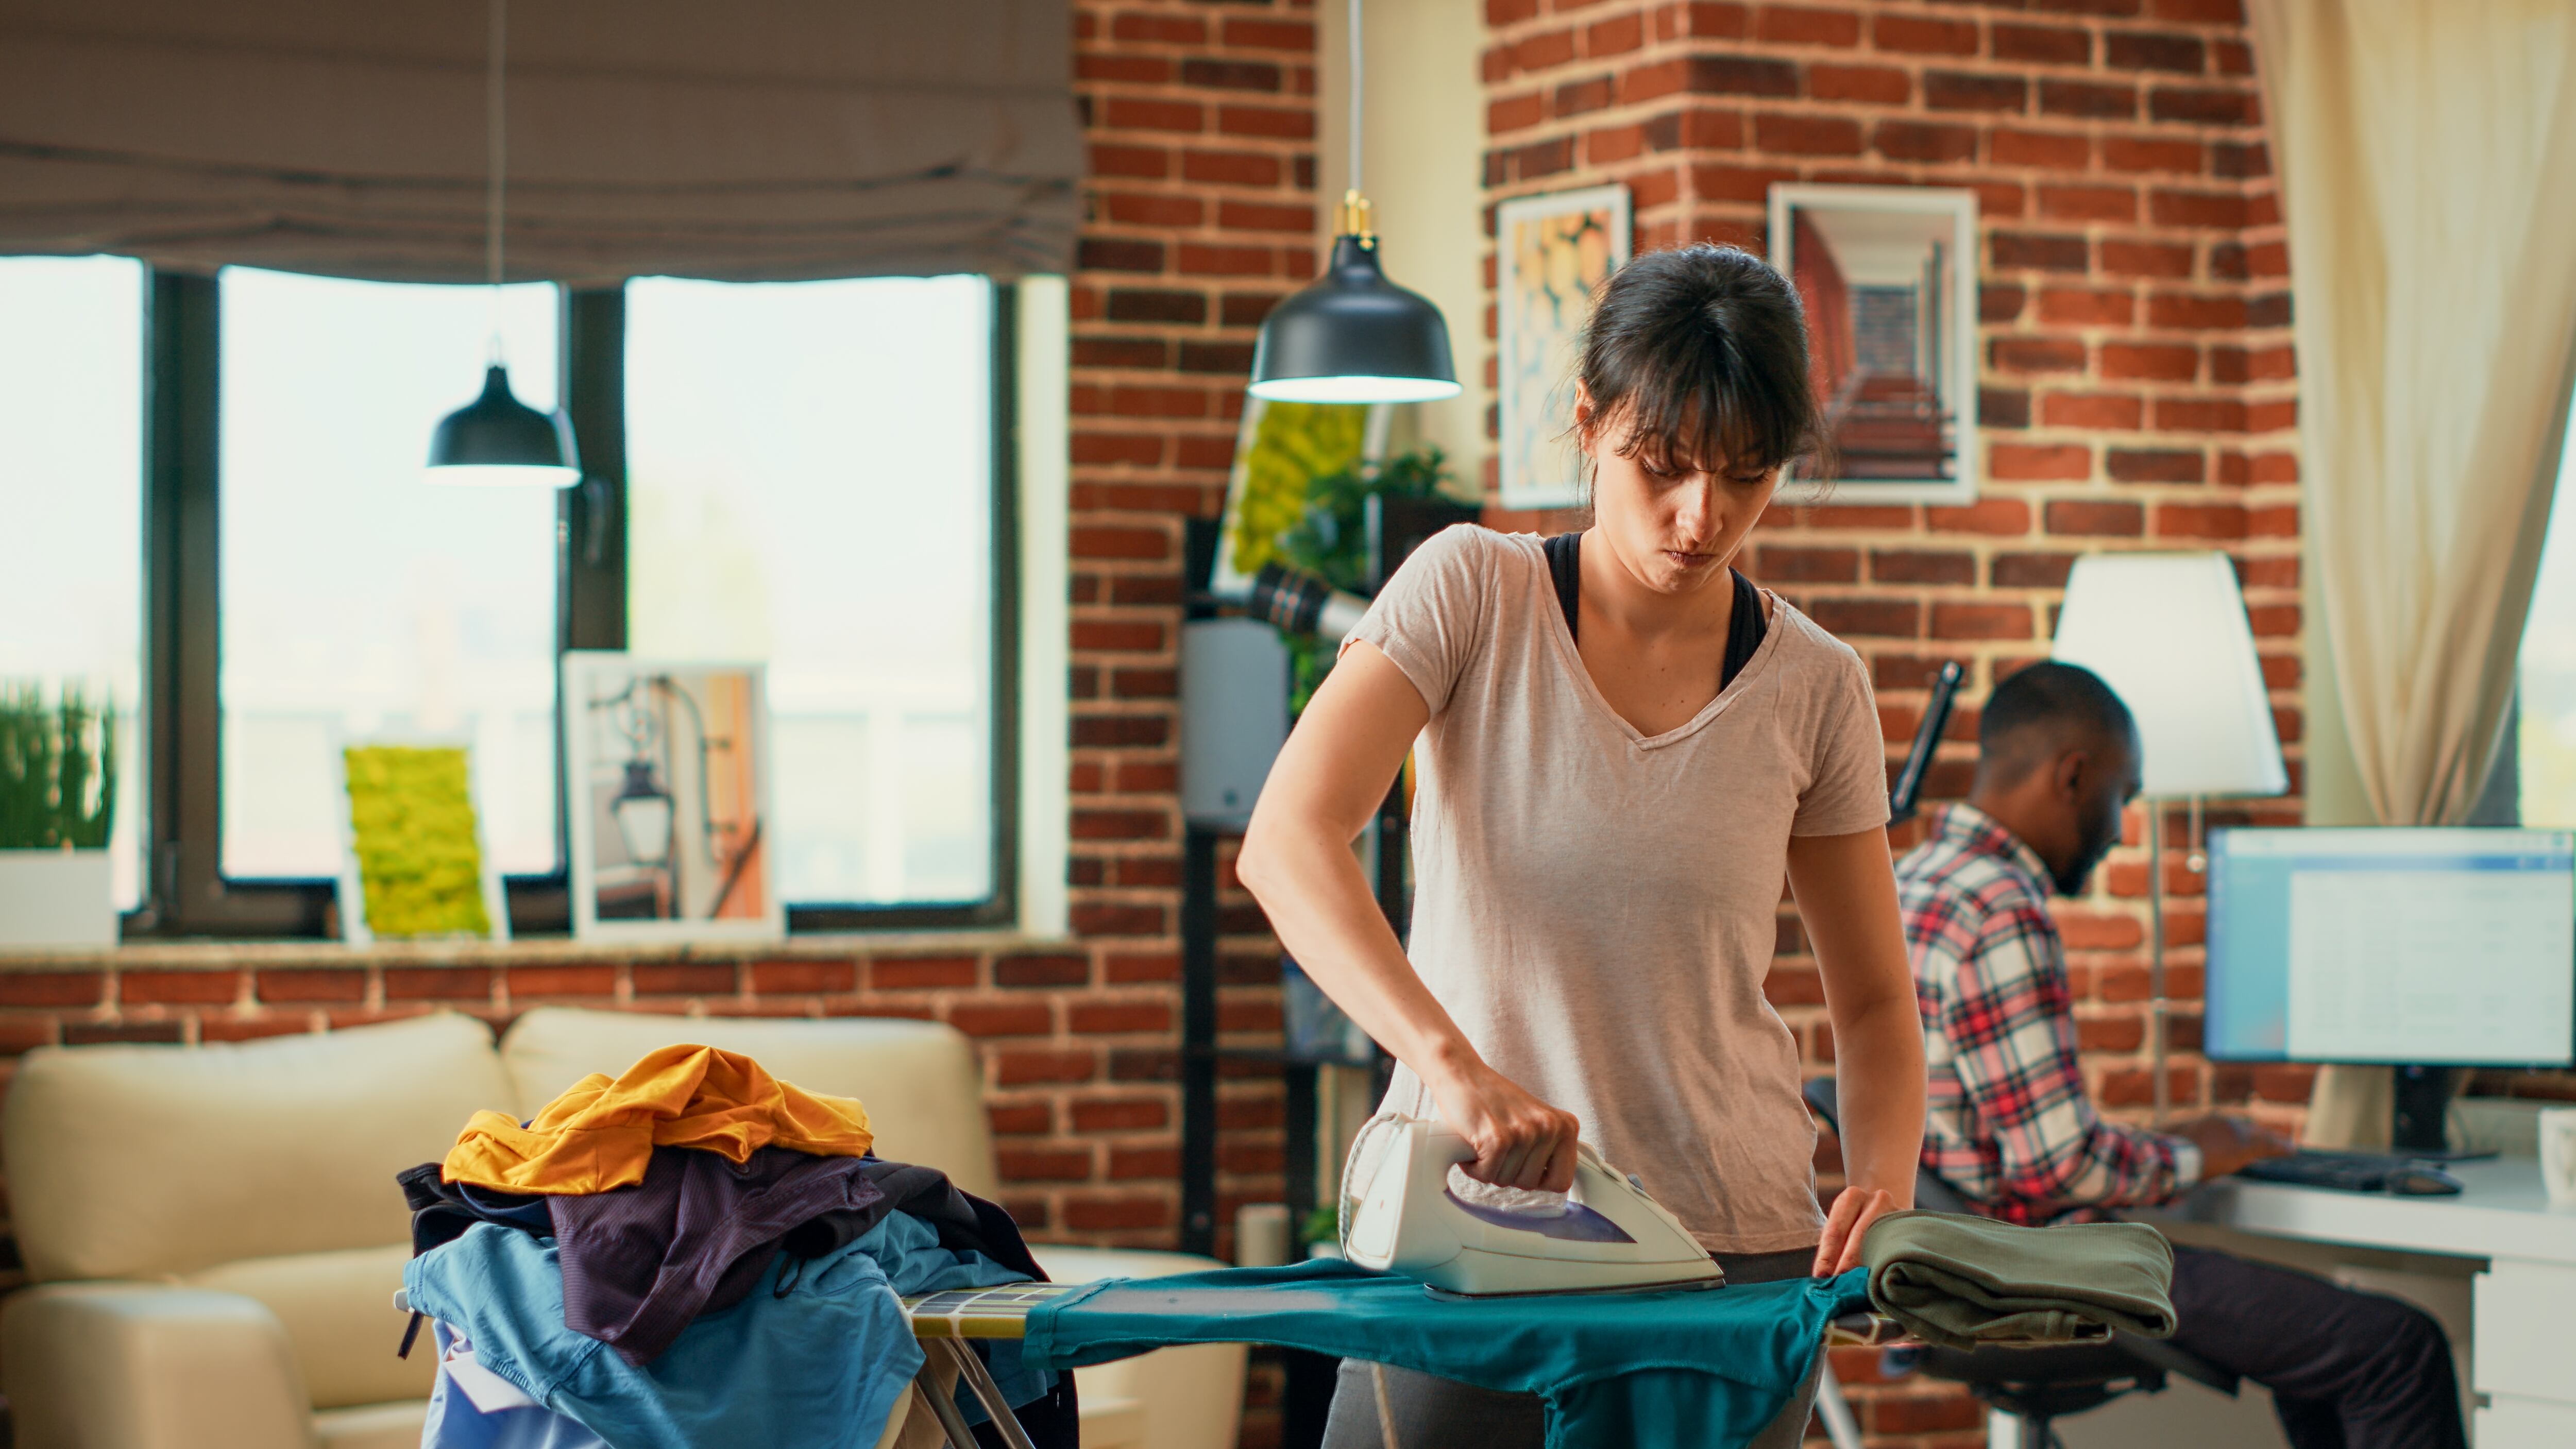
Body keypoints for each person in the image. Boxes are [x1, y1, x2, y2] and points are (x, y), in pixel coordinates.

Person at [1237, 244, 1926, 1449]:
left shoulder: (1816, 685)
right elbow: (1288, 843)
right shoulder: (1468, 594)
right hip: (1469, 1225)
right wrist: (1454, 1070)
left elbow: (1871, 999)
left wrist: (1888, 1192)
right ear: (1589, 423)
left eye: (1746, 476)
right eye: (1660, 467)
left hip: (1731, 1256)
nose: (1700, 516)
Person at [1897, 660, 2466, 1449]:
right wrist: (2201, 1154)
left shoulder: (1913, 880)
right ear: (2073, 775)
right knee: (2397, 1351)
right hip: (2054, 1264)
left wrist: (2177, 1143)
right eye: (2123, 795)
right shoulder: (2000, 906)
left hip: (1948, 1265)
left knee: (2321, 1352)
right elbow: (2059, 1167)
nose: (2122, 826)